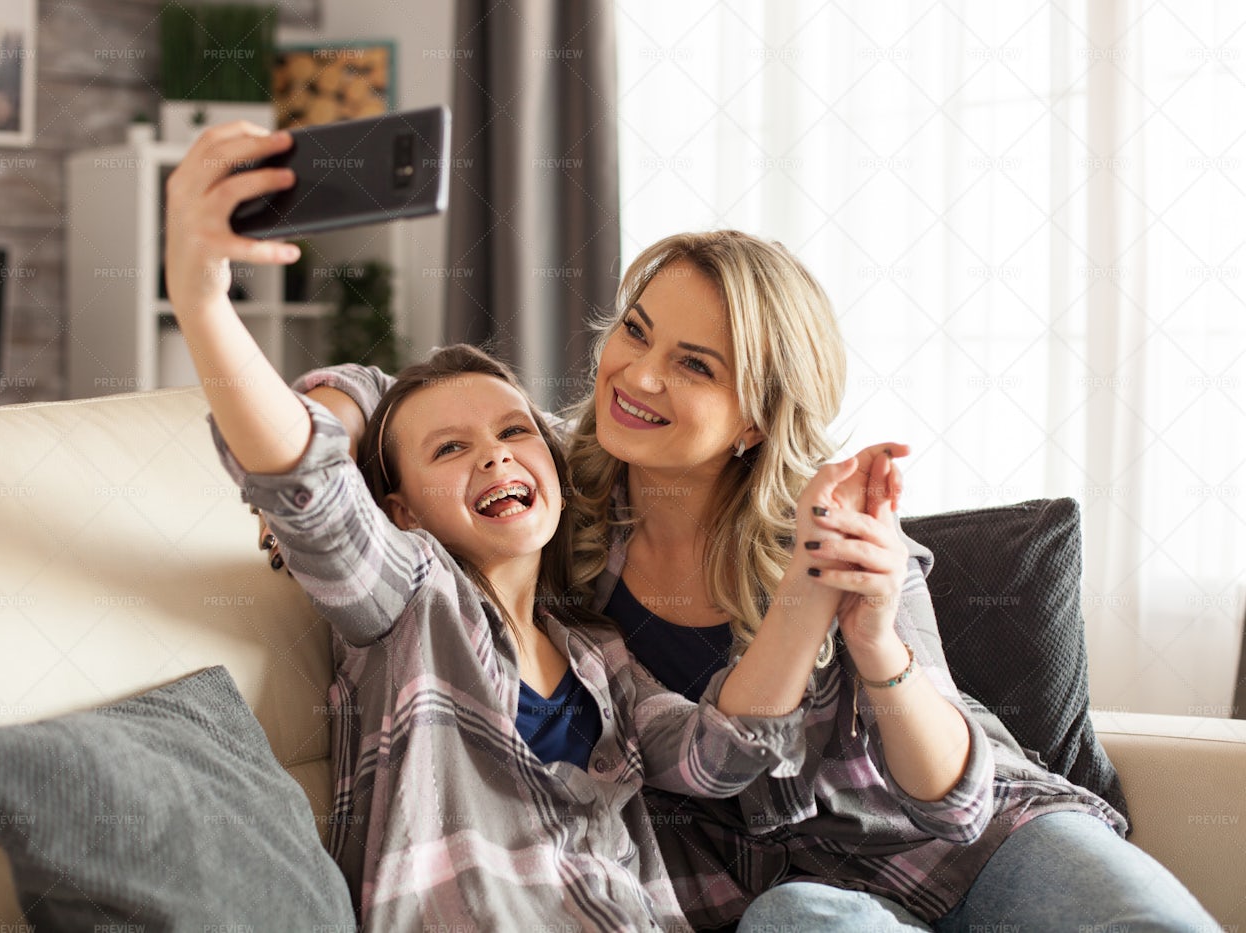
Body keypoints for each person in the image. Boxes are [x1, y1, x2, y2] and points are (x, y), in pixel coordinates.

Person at [277, 231, 1217, 932]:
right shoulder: (553, 507)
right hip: (783, 904)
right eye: (635, 332)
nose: (636, 376)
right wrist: (346, 431)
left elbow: (957, 801)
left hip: (978, 851)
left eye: (693, 364)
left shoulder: (828, 533)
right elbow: (411, 396)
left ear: (755, 418)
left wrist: (876, 638)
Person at [164, 122, 910, 932]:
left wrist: (808, 579)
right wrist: (202, 296)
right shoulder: (413, 606)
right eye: (450, 448)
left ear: (556, 458)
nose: (494, 457)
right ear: (403, 511)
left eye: (517, 432)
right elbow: (308, 482)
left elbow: (717, 756)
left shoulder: (602, 659)